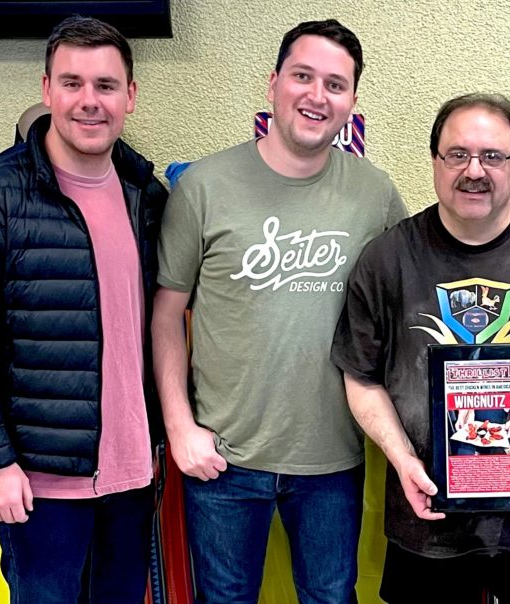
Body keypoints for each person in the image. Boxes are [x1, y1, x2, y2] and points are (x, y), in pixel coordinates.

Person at [151, 19, 403, 604]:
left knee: (330, 598)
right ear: (272, 85)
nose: (317, 95)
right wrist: (179, 427)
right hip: (222, 459)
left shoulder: (374, 192)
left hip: (333, 461)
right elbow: (167, 314)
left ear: (352, 102)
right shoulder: (205, 186)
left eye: (335, 84)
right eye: (303, 76)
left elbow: (430, 267)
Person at [331, 92, 510, 603]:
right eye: (457, 154)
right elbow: (362, 374)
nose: (474, 170)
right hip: (428, 517)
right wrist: (401, 459)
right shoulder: (387, 258)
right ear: (435, 161)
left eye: (493, 156)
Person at [0, 16, 167, 603]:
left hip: (131, 475)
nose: (89, 102)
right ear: (46, 90)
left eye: (105, 85)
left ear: (130, 96)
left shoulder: (146, 194)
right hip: (37, 485)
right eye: (72, 83)